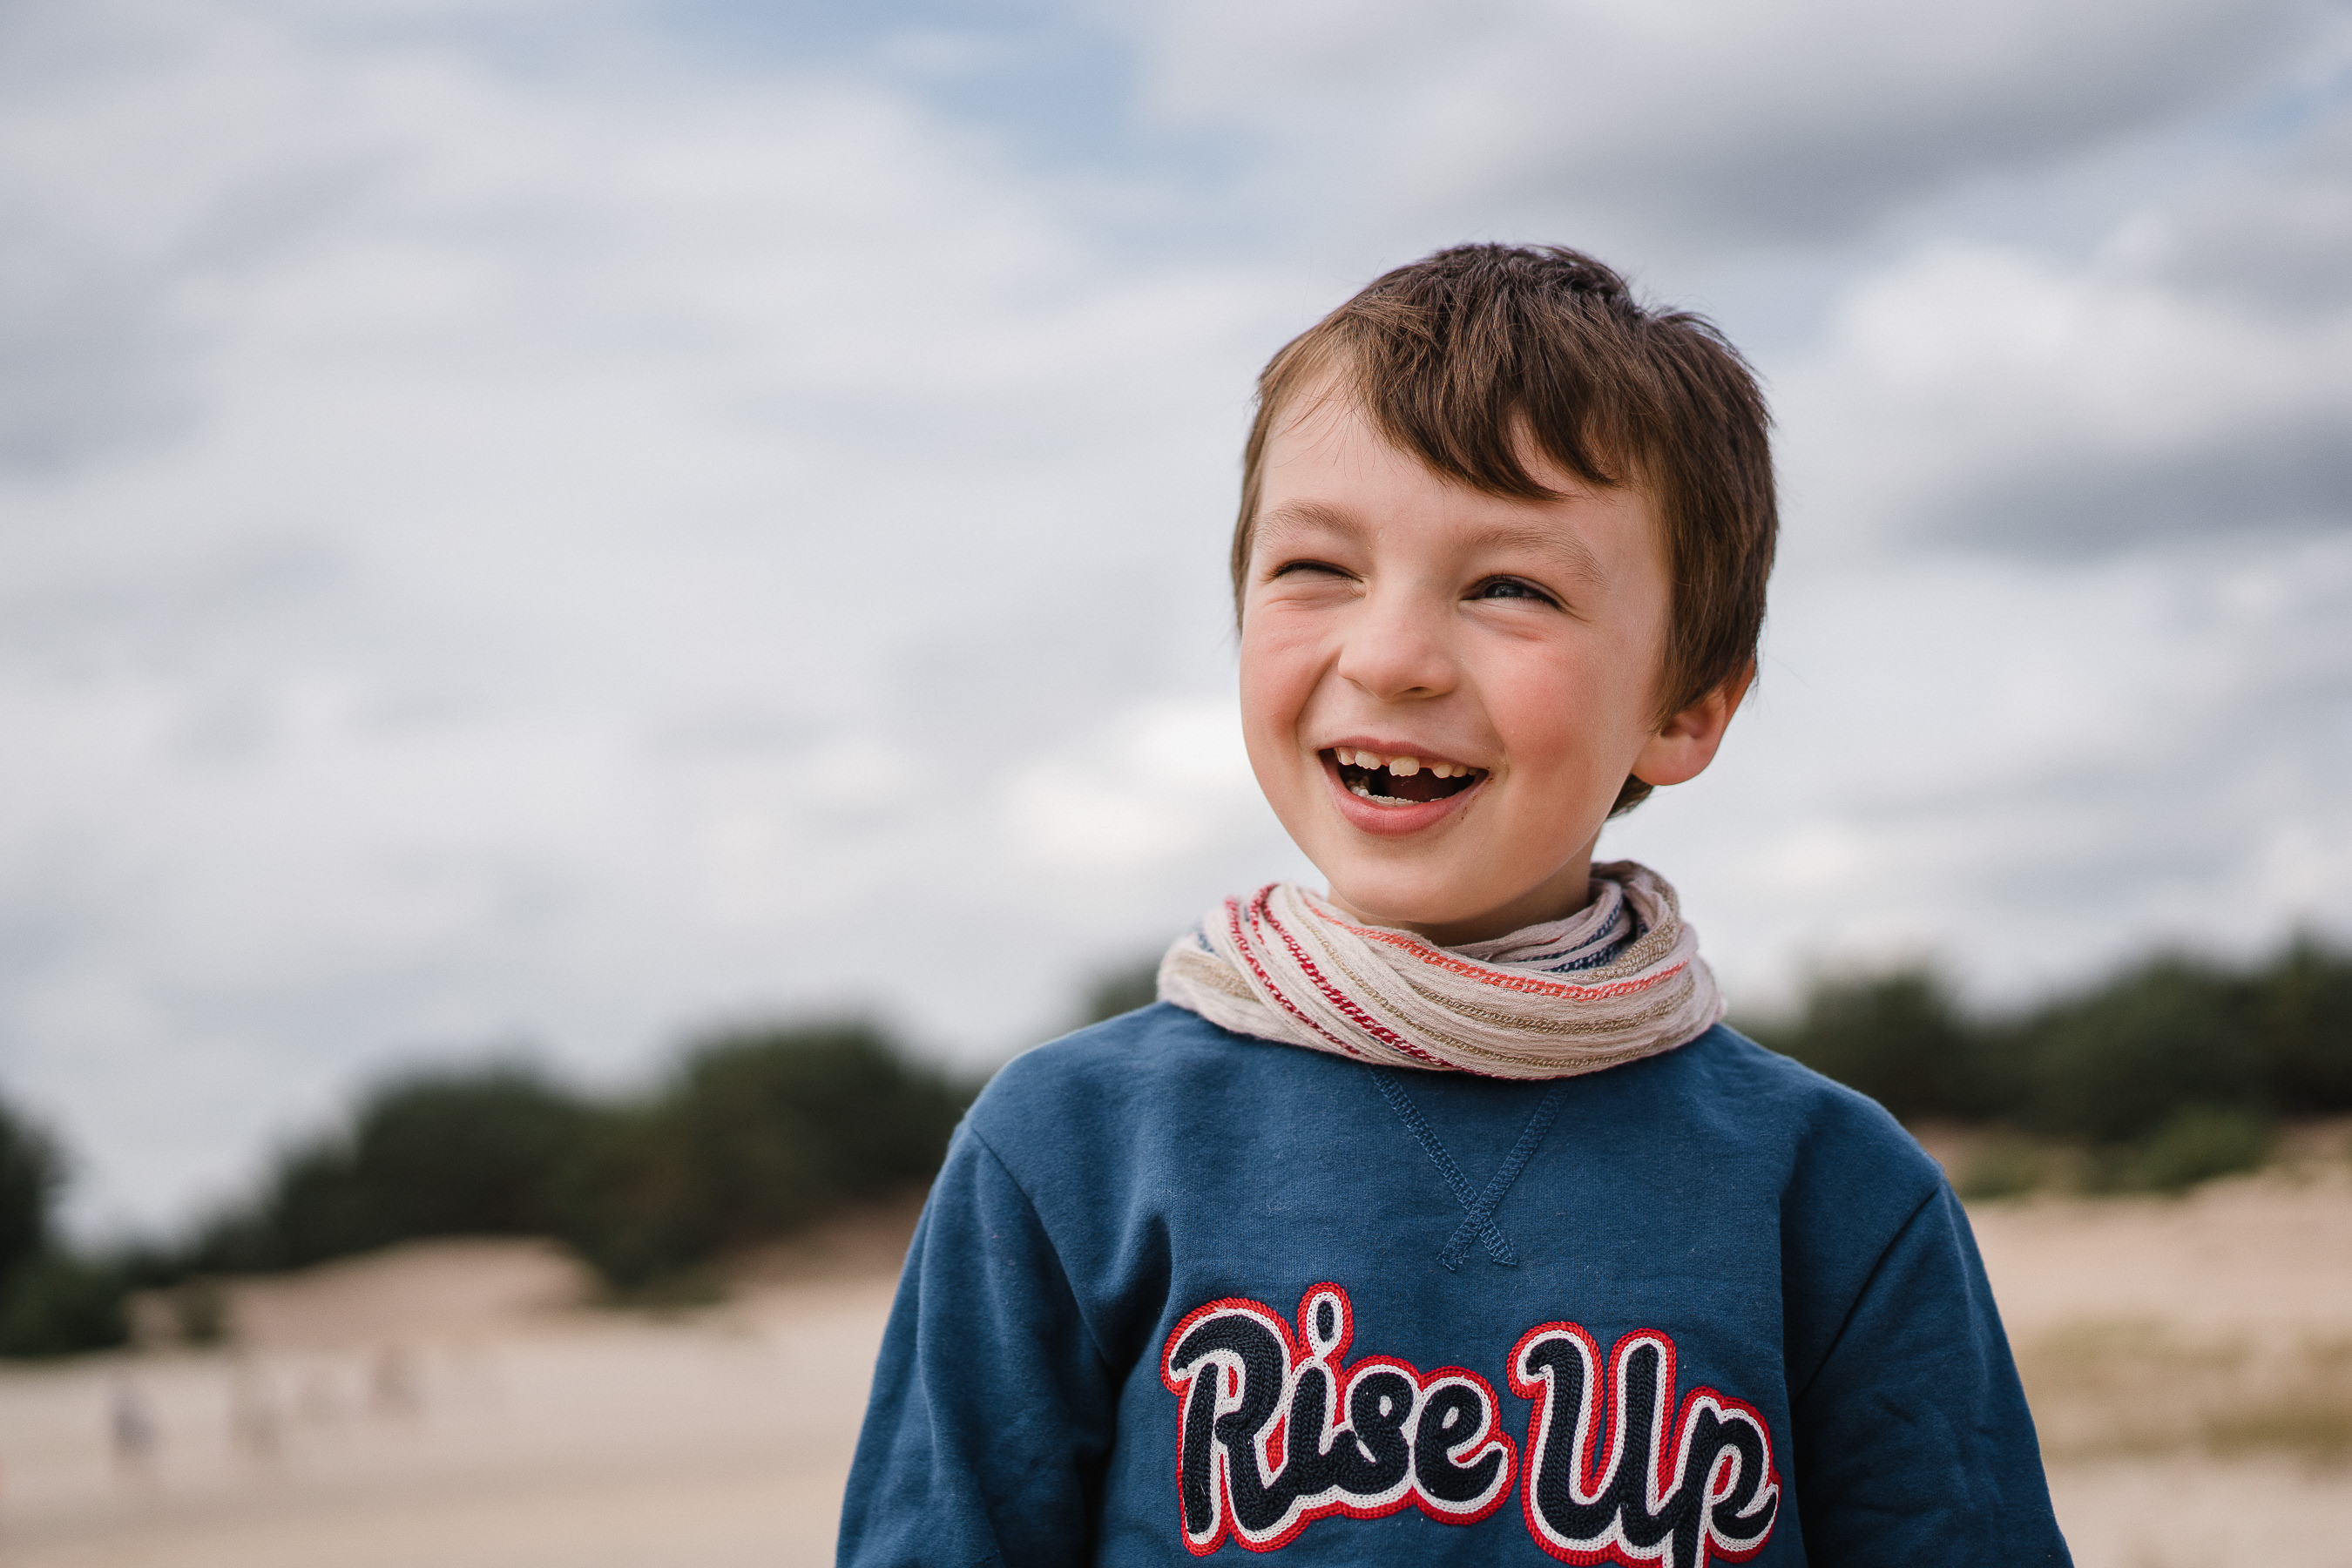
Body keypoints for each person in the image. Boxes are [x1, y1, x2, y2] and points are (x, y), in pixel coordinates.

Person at [836, 244, 2070, 1565]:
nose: (1390, 658)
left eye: (1510, 588)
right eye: (1317, 568)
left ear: (1687, 704)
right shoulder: (1070, 1150)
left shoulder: (1832, 1190)